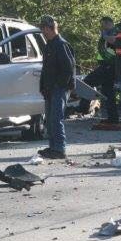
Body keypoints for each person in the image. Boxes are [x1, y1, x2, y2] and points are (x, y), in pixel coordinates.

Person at [38, 15, 76, 159]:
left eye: (44, 28)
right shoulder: (49, 45)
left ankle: (60, 149)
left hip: (59, 89)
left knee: (56, 118)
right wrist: (43, 86)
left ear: (51, 28)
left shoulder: (61, 45)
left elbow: (68, 69)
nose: (42, 31)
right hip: (49, 88)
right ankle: (53, 147)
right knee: (49, 119)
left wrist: (59, 86)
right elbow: (46, 69)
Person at [78, 16, 118, 123]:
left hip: (109, 66)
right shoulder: (108, 32)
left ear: (108, 23)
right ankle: (113, 117)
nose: (102, 27)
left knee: (87, 82)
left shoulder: (115, 31)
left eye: (103, 25)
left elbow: (115, 41)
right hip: (106, 65)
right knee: (108, 92)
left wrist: (105, 36)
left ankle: (83, 107)